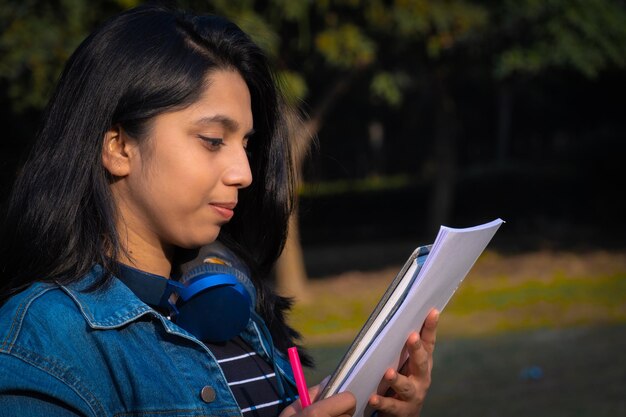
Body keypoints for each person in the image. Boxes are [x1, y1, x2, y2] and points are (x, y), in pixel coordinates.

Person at [0, 4, 439, 417]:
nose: (244, 173)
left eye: (246, 143)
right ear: (118, 147)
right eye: (213, 140)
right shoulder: (42, 342)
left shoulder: (238, 311)